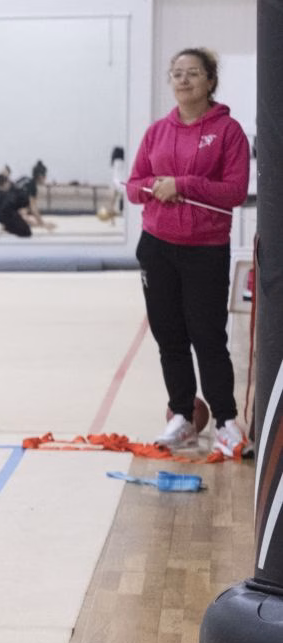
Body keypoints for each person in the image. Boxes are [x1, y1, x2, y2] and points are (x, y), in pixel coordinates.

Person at [128, 47, 250, 457]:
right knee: (170, 337)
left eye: (192, 73)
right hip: (158, 247)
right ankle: (181, 416)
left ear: (210, 81)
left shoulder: (228, 131)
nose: (183, 80)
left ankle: (227, 422)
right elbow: (133, 187)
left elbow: (233, 191)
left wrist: (182, 185)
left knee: (208, 336)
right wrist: (153, 187)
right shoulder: (156, 132)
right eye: (176, 73)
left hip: (205, 249)